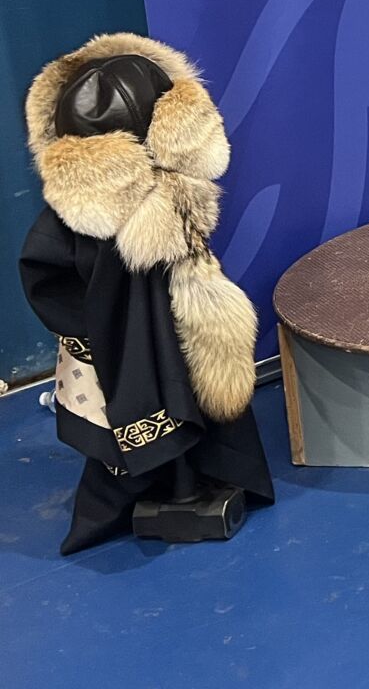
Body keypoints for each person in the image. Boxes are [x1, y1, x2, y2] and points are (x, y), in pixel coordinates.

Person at [20, 33, 273, 553]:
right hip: (122, 343)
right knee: (146, 400)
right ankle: (166, 484)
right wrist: (99, 331)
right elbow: (48, 280)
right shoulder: (80, 225)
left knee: (195, 385)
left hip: (166, 324)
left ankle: (198, 472)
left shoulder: (171, 190)